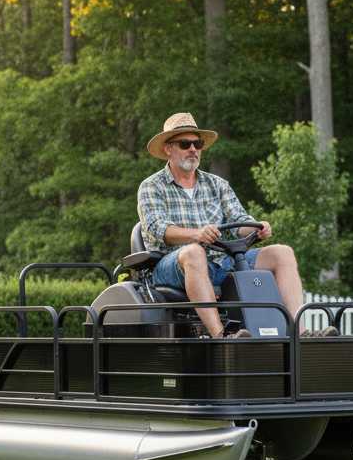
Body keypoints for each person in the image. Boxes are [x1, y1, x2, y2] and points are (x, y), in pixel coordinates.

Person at [137, 112, 338, 339]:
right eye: (185, 144)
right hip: (172, 266)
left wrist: (256, 228)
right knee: (194, 252)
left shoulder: (218, 184)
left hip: (222, 261)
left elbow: (238, 222)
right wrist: (197, 235)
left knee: (283, 253)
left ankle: (300, 333)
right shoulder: (151, 186)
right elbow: (157, 228)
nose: (193, 149)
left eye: (198, 143)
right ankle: (221, 335)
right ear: (168, 149)